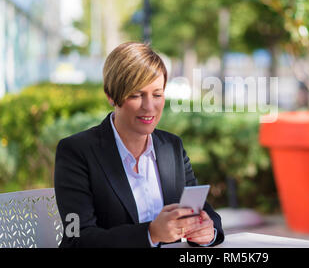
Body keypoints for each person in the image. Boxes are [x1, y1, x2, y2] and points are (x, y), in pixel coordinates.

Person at [54, 42, 224, 248]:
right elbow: (76, 239)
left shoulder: (172, 147)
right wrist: (150, 234)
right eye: (136, 95)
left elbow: (205, 212)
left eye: (157, 94)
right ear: (111, 95)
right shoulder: (76, 152)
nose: (149, 106)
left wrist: (208, 230)